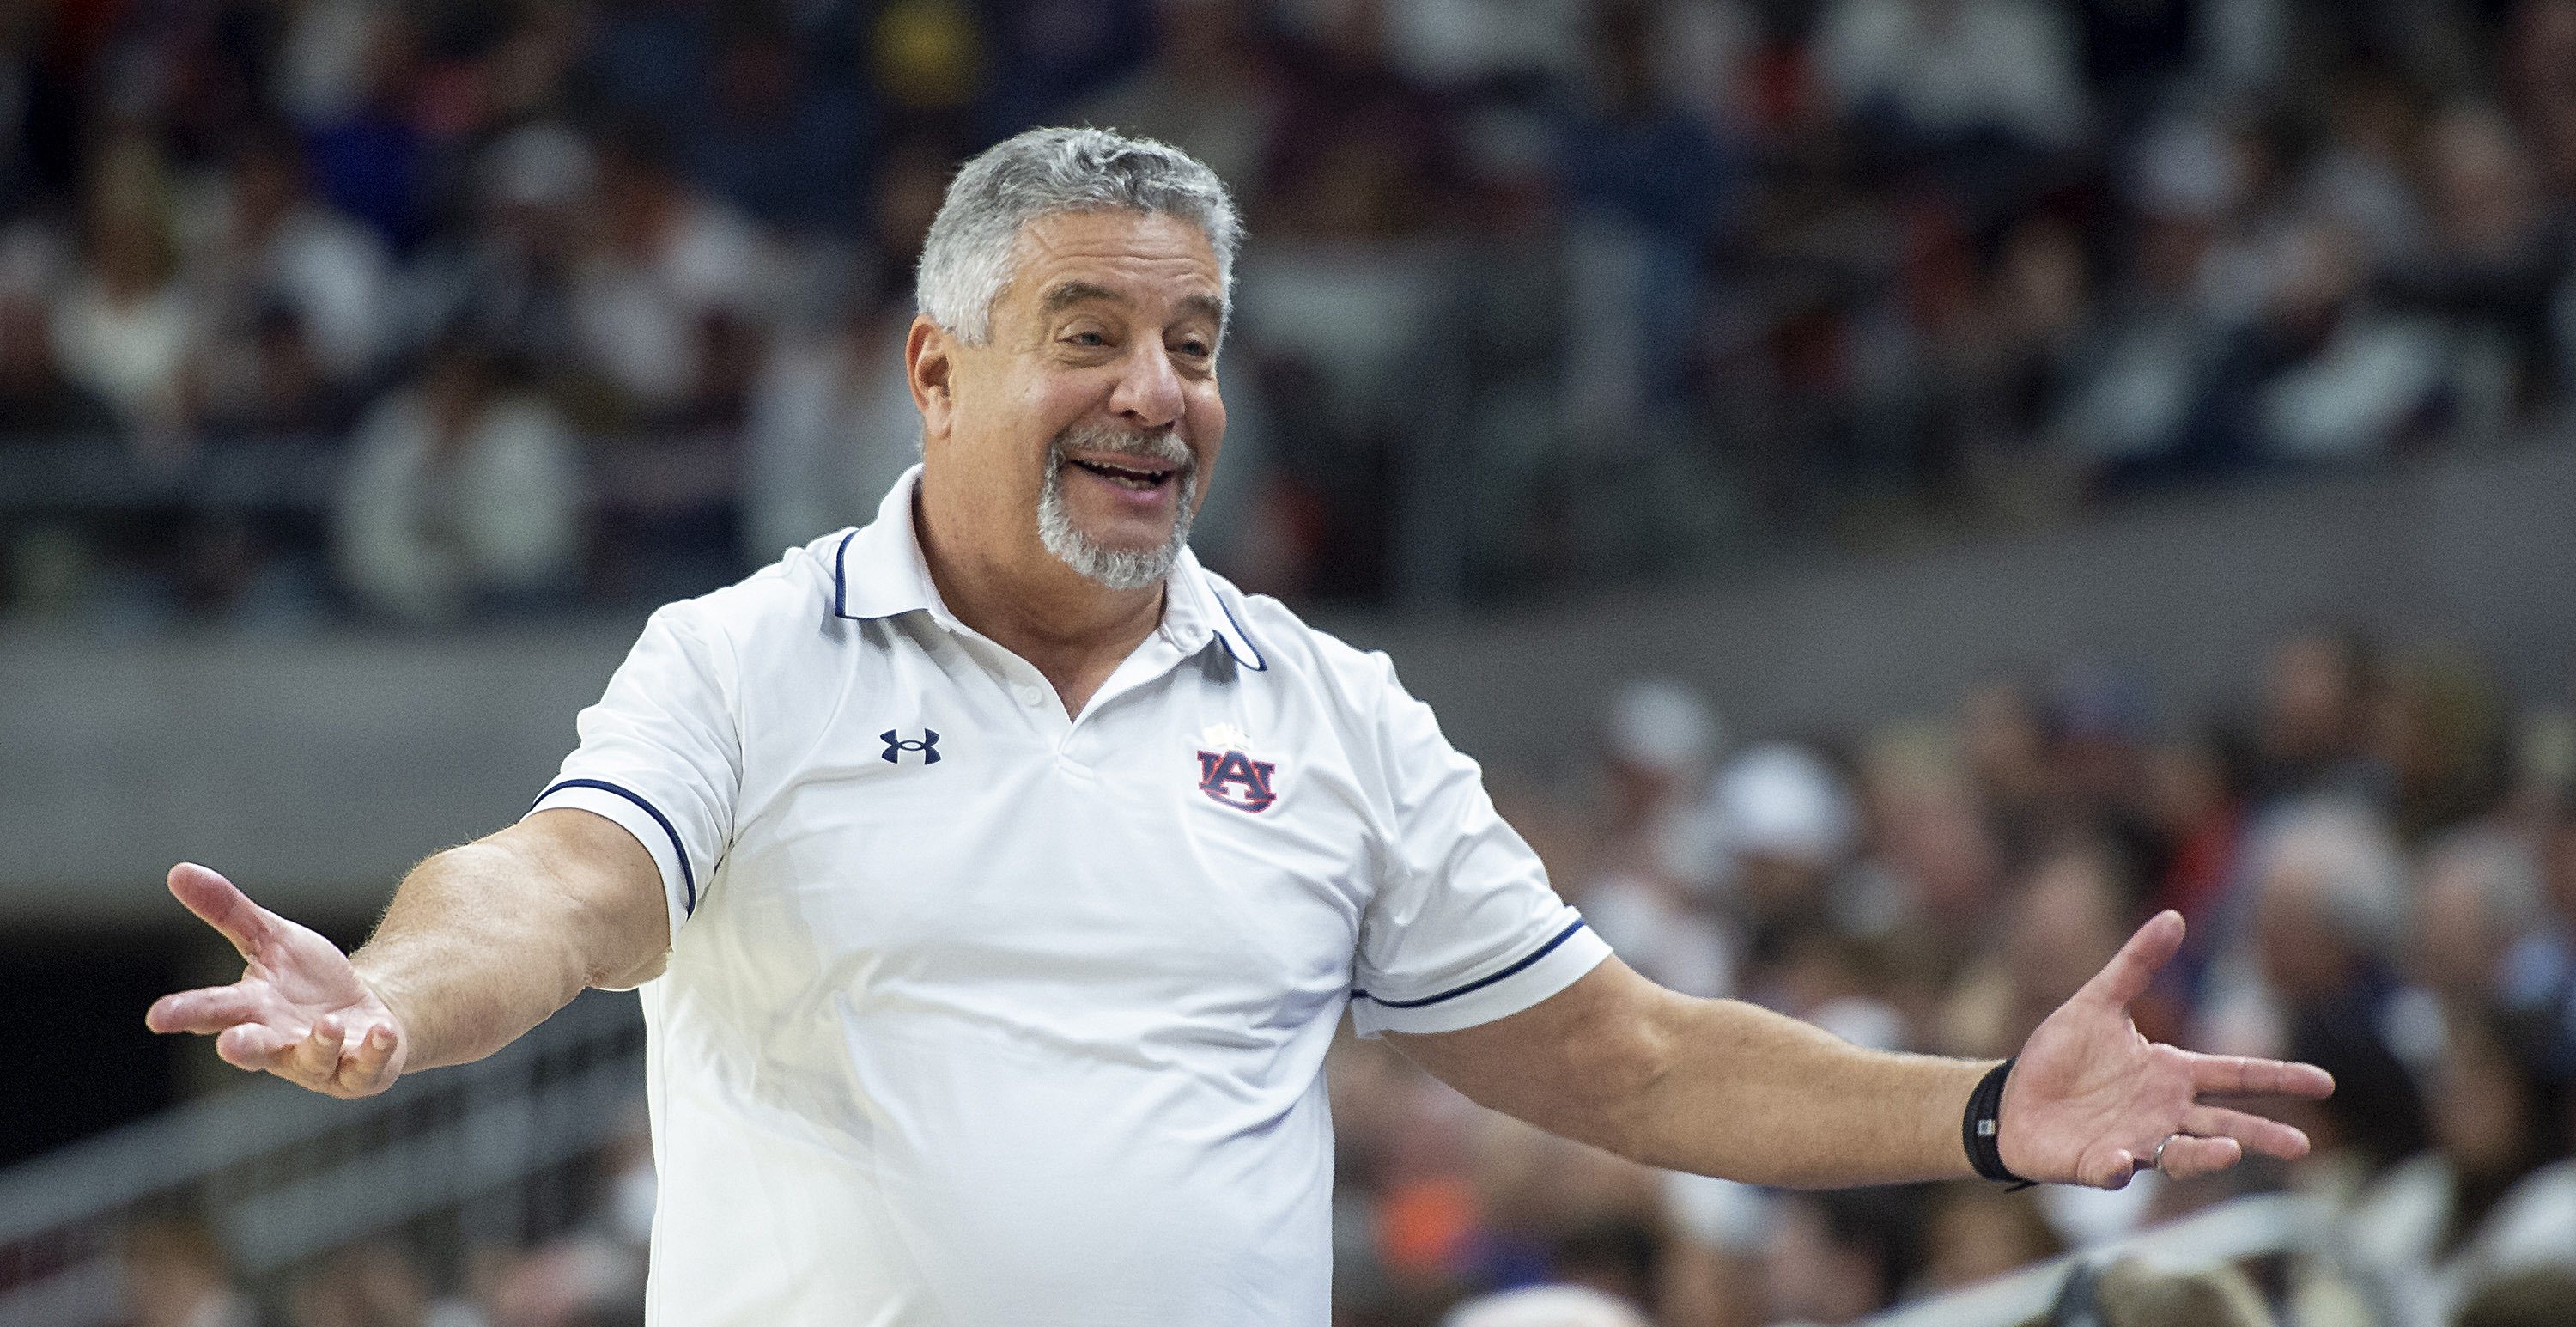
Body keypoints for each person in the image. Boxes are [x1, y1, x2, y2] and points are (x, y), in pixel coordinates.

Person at [144, 127, 2332, 1325]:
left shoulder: (1340, 715)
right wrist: (403, 996)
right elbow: (556, 883)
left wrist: (1981, 1111)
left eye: (1193, 338)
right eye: (1086, 331)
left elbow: (1630, 1058)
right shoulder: (743, 658)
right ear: (935, 370)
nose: (1156, 390)